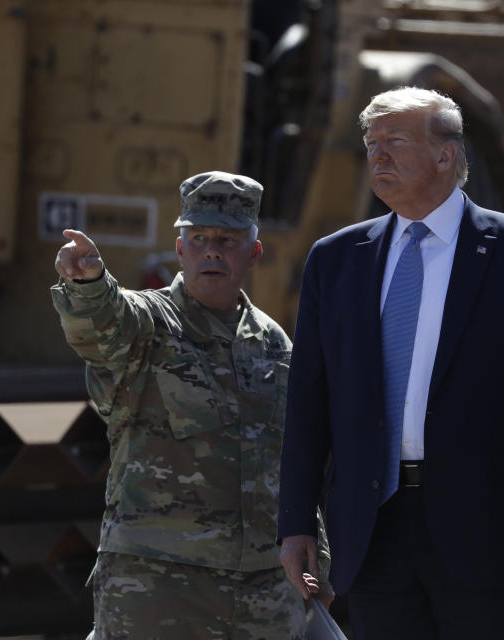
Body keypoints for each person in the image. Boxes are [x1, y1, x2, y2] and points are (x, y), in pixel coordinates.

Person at [276, 86, 504, 639]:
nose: (378, 155)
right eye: (371, 142)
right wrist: (295, 521)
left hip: (488, 533)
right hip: (374, 531)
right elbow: (308, 403)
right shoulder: (337, 259)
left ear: (446, 155)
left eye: (394, 140)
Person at [51, 171, 328, 639]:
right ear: (180, 250)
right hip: (159, 586)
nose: (212, 250)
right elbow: (104, 323)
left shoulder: (273, 342)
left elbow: (291, 456)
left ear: (254, 252)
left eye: (227, 239)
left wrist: (315, 550)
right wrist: (89, 283)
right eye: (198, 238)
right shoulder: (150, 322)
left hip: (263, 590)